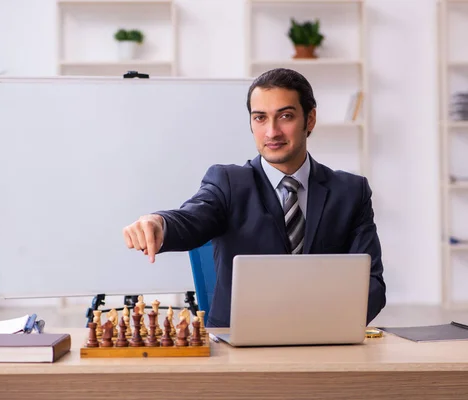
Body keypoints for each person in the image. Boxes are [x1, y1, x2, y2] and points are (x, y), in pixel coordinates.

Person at [122, 68, 386, 328]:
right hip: (239, 348)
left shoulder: (351, 192)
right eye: (260, 118)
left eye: (285, 116)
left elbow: (372, 283)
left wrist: (329, 326)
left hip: (324, 341)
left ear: (310, 119)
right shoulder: (227, 183)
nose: (272, 132)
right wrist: (158, 222)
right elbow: (192, 217)